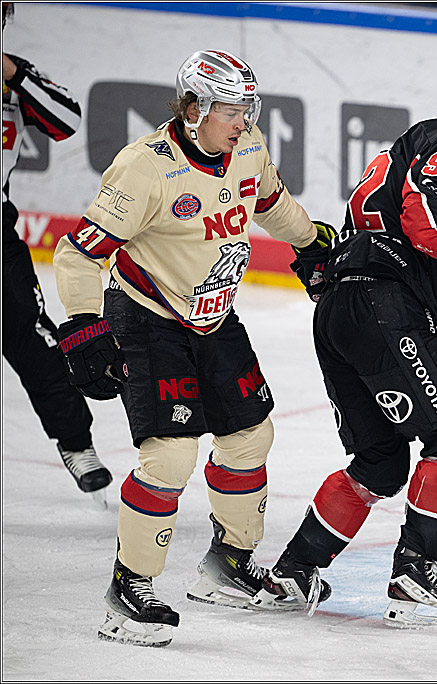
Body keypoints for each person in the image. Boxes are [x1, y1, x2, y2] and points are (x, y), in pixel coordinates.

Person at [52, 48, 331, 647]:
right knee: (171, 456)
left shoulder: (249, 147)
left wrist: (312, 244)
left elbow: (271, 204)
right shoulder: (144, 168)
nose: (244, 120)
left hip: (215, 315)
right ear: (193, 107)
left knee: (251, 434)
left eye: (249, 108)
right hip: (149, 318)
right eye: (232, 108)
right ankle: (129, 588)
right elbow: (78, 253)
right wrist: (83, 328)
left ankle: (228, 565)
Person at [252, 56, 437, 628]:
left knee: (379, 464)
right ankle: (415, 578)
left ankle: (294, 571)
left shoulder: (423, 142)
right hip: (382, 308)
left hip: (345, 307)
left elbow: (413, 235)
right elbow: (424, 227)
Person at [2, 2, 113, 502]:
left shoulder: (14, 77)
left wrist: (11, 72)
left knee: (33, 336)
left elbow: (66, 120)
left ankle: (77, 443)